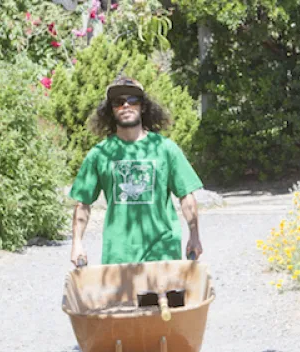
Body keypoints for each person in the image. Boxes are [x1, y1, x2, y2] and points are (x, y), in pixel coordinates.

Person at [69, 77, 204, 267]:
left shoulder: (165, 149)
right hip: (118, 255)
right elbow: (83, 203)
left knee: (165, 298)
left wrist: (195, 236)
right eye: (118, 102)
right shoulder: (99, 154)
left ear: (143, 107)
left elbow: (186, 196)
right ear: (111, 110)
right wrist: (77, 244)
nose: (126, 105)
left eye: (133, 100)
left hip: (163, 251)